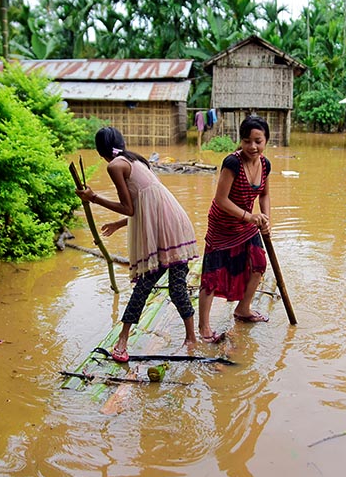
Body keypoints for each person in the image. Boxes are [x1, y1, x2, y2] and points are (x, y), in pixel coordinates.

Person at [76, 127, 200, 362]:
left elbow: (131, 208)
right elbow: (145, 205)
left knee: (149, 286)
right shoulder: (136, 160)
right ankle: (189, 338)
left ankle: (125, 341)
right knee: (172, 287)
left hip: (164, 230)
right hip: (175, 223)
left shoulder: (115, 166)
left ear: (100, 151)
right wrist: (119, 224)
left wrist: (94, 198)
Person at [198, 116, 271, 343]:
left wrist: (266, 218)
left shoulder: (265, 164)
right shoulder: (232, 163)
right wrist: (250, 217)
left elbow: (265, 194)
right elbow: (221, 199)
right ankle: (204, 327)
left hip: (247, 224)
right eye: (247, 141)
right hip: (222, 225)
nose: (253, 146)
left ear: (266, 140)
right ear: (241, 141)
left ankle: (243, 309)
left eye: (258, 141)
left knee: (258, 264)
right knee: (212, 276)